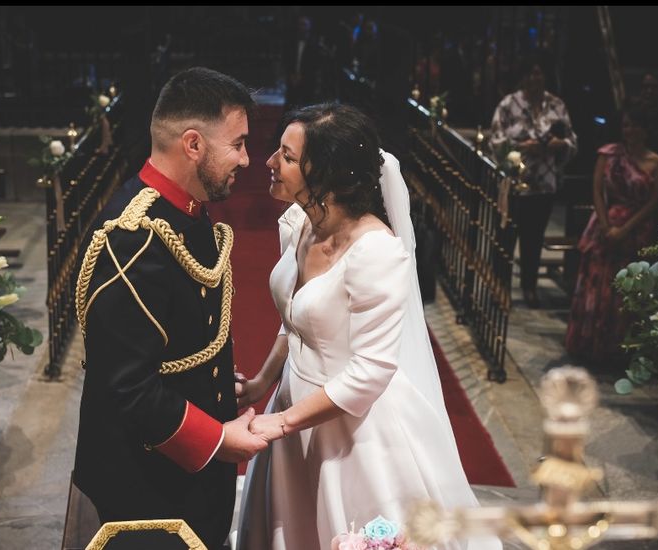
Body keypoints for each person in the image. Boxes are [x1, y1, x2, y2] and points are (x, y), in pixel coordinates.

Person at [234, 103, 500, 550]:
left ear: (326, 173)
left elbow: (371, 372)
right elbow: (297, 317)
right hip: (292, 406)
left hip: (351, 429)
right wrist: (264, 382)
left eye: (288, 156)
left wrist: (282, 422)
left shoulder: (375, 252)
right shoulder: (301, 223)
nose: (269, 163)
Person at [72, 67, 268, 548]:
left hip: (186, 475)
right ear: (194, 145)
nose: (246, 158)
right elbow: (129, 388)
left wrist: (217, 386)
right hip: (146, 492)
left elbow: (177, 343)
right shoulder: (132, 238)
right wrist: (221, 440)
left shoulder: (186, 210)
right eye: (238, 144)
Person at [565, 103, 658, 367]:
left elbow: (653, 203)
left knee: (624, 291)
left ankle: (616, 349)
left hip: (635, 229)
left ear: (645, 130)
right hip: (605, 223)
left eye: (634, 125)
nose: (629, 130)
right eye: (626, 125)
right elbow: (597, 190)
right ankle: (587, 344)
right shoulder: (609, 154)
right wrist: (605, 223)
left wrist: (625, 228)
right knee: (596, 284)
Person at [489, 52, 577, 309]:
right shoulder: (508, 105)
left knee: (533, 239)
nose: (534, 78)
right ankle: (499, 286)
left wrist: (558, 145)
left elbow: (572, 141)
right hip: (515, 184)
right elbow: (496, 140)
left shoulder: (556, 105)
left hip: (544, 184)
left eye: (539, 73)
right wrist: (521, 146)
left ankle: (529, 287)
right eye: (530, 73)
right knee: (506, 237)